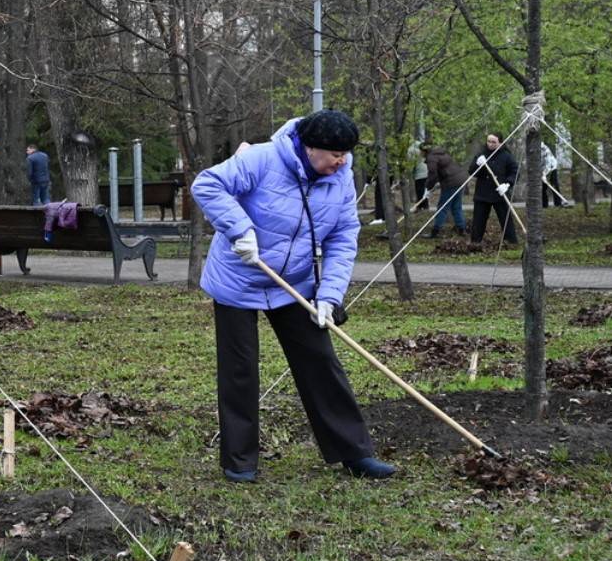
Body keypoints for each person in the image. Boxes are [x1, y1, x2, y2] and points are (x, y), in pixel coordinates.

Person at [191, 108, 394, 483]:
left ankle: (354, 452)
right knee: (239, 369)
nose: (341, 162)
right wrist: (239, 229)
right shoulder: (262, 159)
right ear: (311, 147)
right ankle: (240, 461)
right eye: (335, 155)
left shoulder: (340, 181)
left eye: (346, 155)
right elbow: (207, 185)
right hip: (239, 277)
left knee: (320, 361)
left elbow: (343, 238)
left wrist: (329, 296)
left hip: (295, 284)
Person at [470, 133, 519, 245]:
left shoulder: (506, 156)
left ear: (500, 143)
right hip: (482, 193)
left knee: (506, 219)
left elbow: (515, 171)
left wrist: (507, 184)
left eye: (494, 142)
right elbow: (472, 172)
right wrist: (477, 165)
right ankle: (475, 242)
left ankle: (511, 242)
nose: (490, 144)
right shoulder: (481, 154)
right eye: (489, 141)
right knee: (478, 220)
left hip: (500, 193)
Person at [423, 143, 467, 237]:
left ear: (424, 151)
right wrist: (433, 186)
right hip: (460, 180)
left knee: (442, 207)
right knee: (456, 206)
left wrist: (428, 188)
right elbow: (441, 172)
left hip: (451, 182)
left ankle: (436, 231)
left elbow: (433, 174)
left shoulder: (431, 157)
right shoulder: (441, 153)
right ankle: (461, 229)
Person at [408, 136, 429, 210]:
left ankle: (421, 206)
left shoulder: (410, 150)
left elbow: (411, 163)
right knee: (425, 190)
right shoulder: (421, 145)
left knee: (419, 190)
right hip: (427, 170)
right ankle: (426, 205)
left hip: (419, 173)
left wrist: (411, 172)